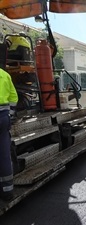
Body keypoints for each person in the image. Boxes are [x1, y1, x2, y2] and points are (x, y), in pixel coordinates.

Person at [0, 68, 18, 201]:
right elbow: (14, 97)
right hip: (3, 117)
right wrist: (10, 115)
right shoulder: (4, 74)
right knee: (4, 155)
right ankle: (7, 191)